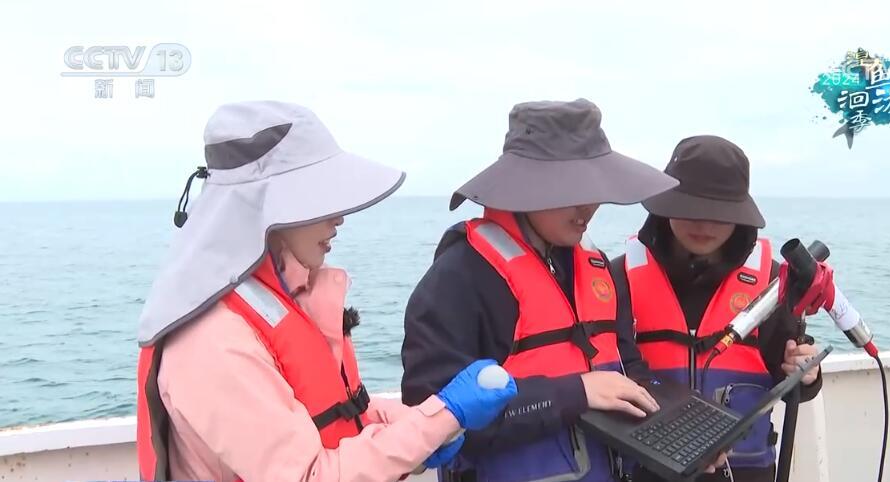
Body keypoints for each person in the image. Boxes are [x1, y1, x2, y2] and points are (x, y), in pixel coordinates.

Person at [134, 100, 516, 482]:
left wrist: (419, 425)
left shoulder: (277, 301)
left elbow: (344, 414)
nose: (339, 216)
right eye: (319, 198)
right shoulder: (210, 341)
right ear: (264, 208)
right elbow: (310, 476)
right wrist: (444, 415)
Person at [401, 98, 727, 482]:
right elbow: (432, 421)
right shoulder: (460, 277)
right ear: (521, 187)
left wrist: (685, 433)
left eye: (592, 188)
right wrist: (573, 393)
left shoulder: (597, 268)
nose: (586, 207)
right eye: (567, 190)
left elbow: (627, 369)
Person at [610, 135, 826, 482]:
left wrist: (805, 372)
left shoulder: (773, 284)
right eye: (690, 209)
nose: (704, 224)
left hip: (745, 472)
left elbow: (792, 382)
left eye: (719, 213)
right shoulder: (619, 277)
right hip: (647, 470)